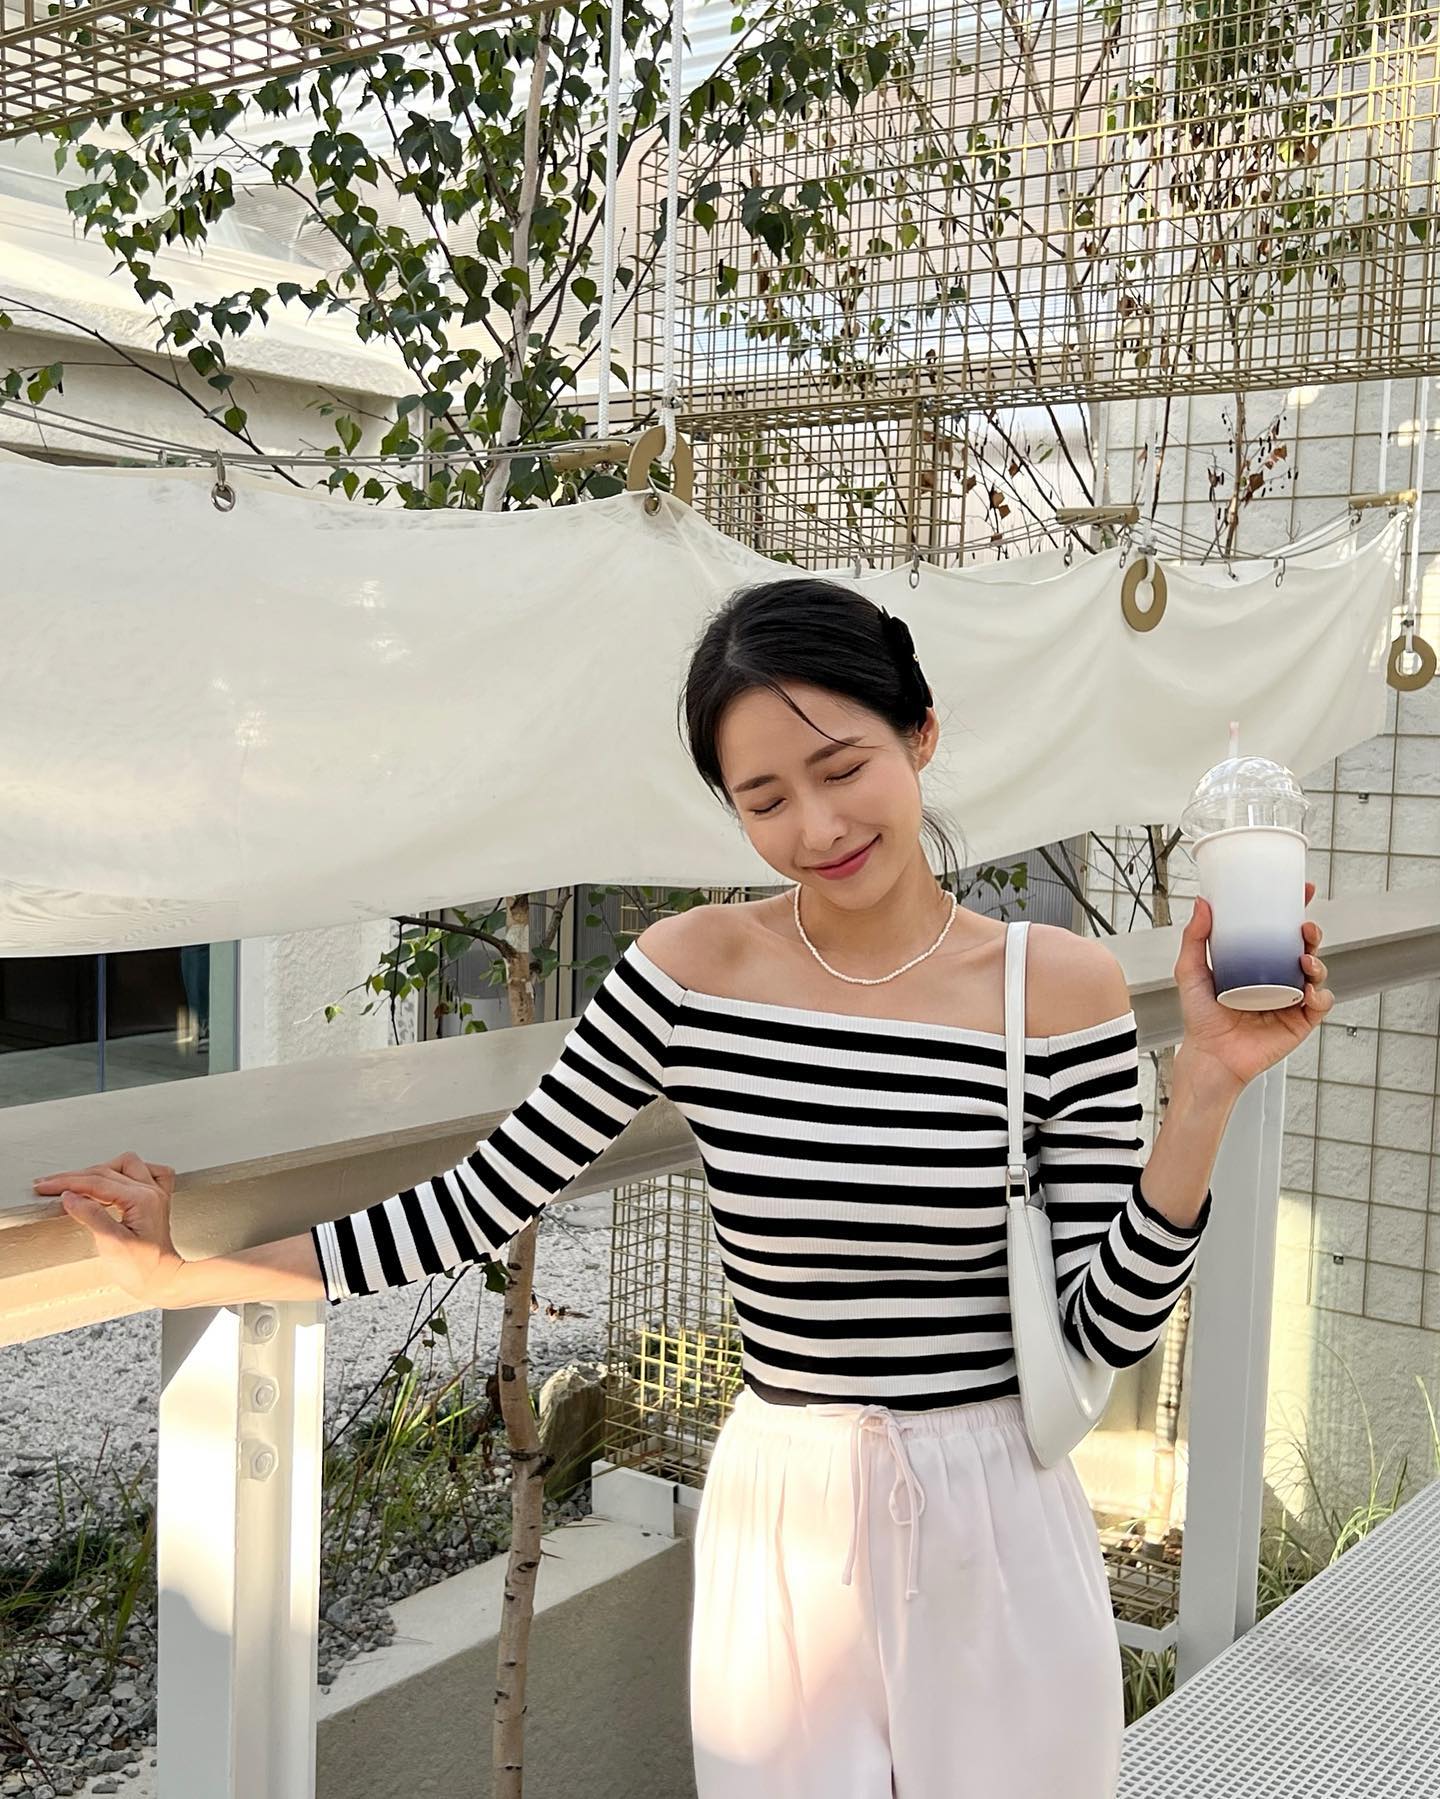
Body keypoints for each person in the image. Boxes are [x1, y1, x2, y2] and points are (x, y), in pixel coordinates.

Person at [36, 578, 1331, 1799]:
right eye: (765, 798)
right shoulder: (691, 969)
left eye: (843, 768)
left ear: (922, 734)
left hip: (998, 1511)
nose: (816, 828)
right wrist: (187, 1270)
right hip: (787, 1509)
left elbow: (1108, 1328)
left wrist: (1206, 1092)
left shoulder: (1057, 986)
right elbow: (484, 1196)